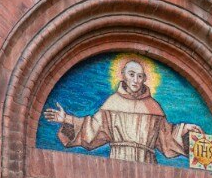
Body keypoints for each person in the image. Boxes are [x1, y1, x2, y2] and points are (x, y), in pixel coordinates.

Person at [43, 60, 202, 164]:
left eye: (140, 76)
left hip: (148, 164)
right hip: (118, 161)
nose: (135, 80)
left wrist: (184, 130)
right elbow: (91, 129)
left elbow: (166, 137)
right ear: (123, 76)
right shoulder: (112, 104)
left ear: (144, 79)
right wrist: (67, 119)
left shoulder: (153, 107)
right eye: (131, 75)